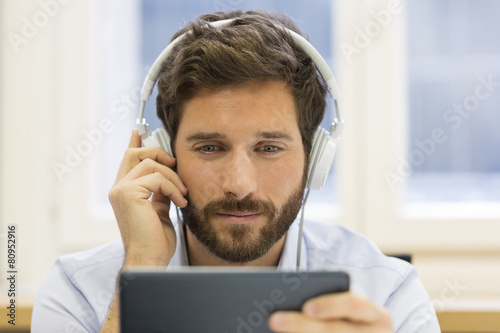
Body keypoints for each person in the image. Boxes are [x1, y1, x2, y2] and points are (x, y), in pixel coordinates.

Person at [31, 10, 440, 332]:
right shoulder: (79, 291)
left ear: (315, 158)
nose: (240, 185)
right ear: (161, 154)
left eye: (269, 148)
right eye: (210, 147)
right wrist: (139, 269)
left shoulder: (387, 293)